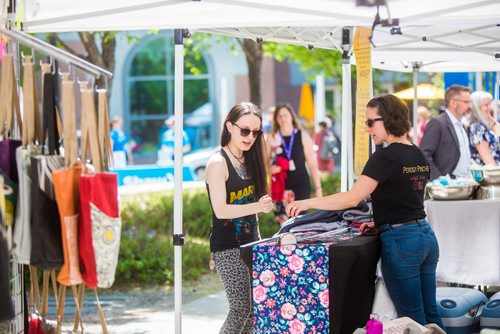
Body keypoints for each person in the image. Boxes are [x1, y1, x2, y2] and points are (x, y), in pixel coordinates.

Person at [285, 94, 444, 330]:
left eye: (371, 122)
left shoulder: (384, 157)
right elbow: (405, 198)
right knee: (432, 317)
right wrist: (381, 221)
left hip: (403, 242)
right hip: (425, 237)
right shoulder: (417, 152)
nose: (367, 129)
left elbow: (352, 198)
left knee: (414, 322)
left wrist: (308, 203)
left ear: (388, 119)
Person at [205, 102, 273, 334]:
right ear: (229, 127)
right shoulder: (218, 162)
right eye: (245, 130)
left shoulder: (249, 160)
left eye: (256, 132)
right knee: (241, 309)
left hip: (253, 243)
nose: (250, 137)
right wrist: (257, 206)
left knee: (256, 311)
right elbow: (221, 210)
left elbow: (252, 212)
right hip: (227, 247)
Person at [267, 103, 322, 224]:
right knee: (283, 223)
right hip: (280, 187)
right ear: (276, 119)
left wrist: (318, 188)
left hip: (301, 184)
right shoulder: (272, 138)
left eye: (285, 115)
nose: (283, 118)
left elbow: (312, 164)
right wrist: (271, 169)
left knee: (299, 221)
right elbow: (265, 165)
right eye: (279, 116)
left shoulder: (302, 135)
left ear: (291, 116)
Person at [420, 85, 472, 180]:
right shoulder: (437, 123)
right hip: (446, 188)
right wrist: (438, 180)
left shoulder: (462, 125)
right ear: (453, 103)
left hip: (463, 184)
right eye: (466, 102)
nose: (470, 106)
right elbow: (423, 155)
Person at [467, 91, 500, 165]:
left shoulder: (485, 126)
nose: (490, 108)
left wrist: (495, 125)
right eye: (486, 105)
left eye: (490, 104)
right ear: (477, 107)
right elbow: (487, 159)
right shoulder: (477, 128)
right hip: (489, 174)